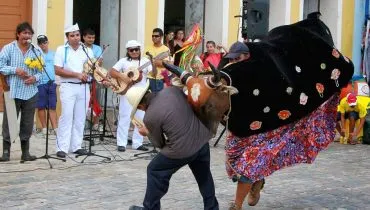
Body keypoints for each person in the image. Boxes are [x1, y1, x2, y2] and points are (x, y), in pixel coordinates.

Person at [127, 84, 219, 210]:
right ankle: (212, 207)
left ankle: (150, 208)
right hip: (202, 139)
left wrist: (147, 132)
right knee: (204, 176)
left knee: (154, 170)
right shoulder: (172, 90)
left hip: (182, 150)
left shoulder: (150, 116)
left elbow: (159, 144)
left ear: (140, 106)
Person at [0, 22, 42, 162]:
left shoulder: (36, 50)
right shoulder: (9, 48)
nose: (27, 36)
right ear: (18, 34)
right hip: (12, 91)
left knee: (27, 123)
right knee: (9, 122)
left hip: (30, 92)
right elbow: (1, 66)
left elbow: (42, 72)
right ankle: (6, 153)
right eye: (24, 33)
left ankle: (26, 153)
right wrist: (15, 70)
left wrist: (34, 78)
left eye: (29, 33)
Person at [54, 23, 93, 158]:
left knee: (80, 117)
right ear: (67, 37)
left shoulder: (86, 50)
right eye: (72, 36)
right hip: (68, 86)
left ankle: (76, 145)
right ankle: (62, 147)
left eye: (77, 35)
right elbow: (58, 70)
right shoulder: (61, 50)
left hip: (83, 87)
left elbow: (91, 67)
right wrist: (77, 75)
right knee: (66, 116)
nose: (75, 38)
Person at [109, 40, 150, 152]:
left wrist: (155, 64)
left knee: (140, 118)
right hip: (127, 92)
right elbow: (112, 72)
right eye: (132, 50)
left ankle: (137, 143)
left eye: (137, 49)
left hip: (141, 94)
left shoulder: (146, 61)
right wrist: (123, 77)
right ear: (128, 51)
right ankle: (121, 143)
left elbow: (154, 73)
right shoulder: (123, 61)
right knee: (124, 117)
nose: (135, 52)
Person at [36, 35, 58, 136]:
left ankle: (55, 128)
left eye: (44, 42)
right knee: (41, 107)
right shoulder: (36, 54)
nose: (43, 45)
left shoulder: (54, 54)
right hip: (40, 83)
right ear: (38, 44)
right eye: (40, 43)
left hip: (52, 83)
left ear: (48, 42)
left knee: (52, 106)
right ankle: (44, 128)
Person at [82, 28, 103, 131]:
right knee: (84, 100)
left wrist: (93, 64)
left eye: (93, 37)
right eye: (89, 37)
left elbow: (100, 62)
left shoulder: (98, 48)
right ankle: (84, 122)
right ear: (84, 37)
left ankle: (96, 123)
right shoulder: (80, 48)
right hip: (83, 77)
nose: (91, 39)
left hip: (95, 77)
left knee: (96, 100)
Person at [145, 28, 171, 92]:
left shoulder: (166, 49)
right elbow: (145, 63)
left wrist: (152, 60)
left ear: (161, 37)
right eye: (153, 36)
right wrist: (158, 61)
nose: (154, 37)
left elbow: (166, 64)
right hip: (149, 78)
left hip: (161, 78)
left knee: (160, 100)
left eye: (156, 36)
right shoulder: (147, 48)